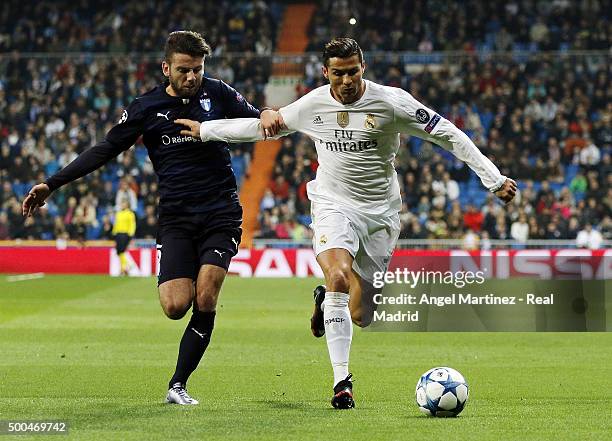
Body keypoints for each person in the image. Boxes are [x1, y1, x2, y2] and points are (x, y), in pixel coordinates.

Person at [176, 38, 517, 410]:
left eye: (353, 71)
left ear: (363, 68)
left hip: (381, 213)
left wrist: (493, 178)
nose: (347, 80)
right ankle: (342, 382)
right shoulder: (313, 103)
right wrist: (207, 130)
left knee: (362, 315)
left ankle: (326, 302)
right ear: (326, 73)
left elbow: (448, 133)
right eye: (338, 73)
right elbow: (263, 129)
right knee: (337, 275)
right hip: (333, 203)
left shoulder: (391, 102)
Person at [22, 30, 279, 405]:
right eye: (184, 70)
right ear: (166, 67)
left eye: (197, 69)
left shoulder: (217, 92)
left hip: (220, 211)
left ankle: (177, 385)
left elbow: (258, 118)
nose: (192, 77)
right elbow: (105, 150)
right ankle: (184, 294)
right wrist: (51, 184)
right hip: (176, 217)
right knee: (176, 306)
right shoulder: (146, 108)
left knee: (206, 295)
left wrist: (269, 112)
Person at [113, 198, 137, 275]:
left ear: (127, 205)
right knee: (119, 251)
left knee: (122, 250)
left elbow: (132, 224)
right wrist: (114, 232)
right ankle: (124, 267)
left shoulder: (130, 214)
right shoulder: (118, 213)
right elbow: (116, 223)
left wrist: (130, 234)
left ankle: (125, 266)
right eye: (122, 203)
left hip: (125, 234)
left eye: (124, 203)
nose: (122, 205)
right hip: (118, 234)